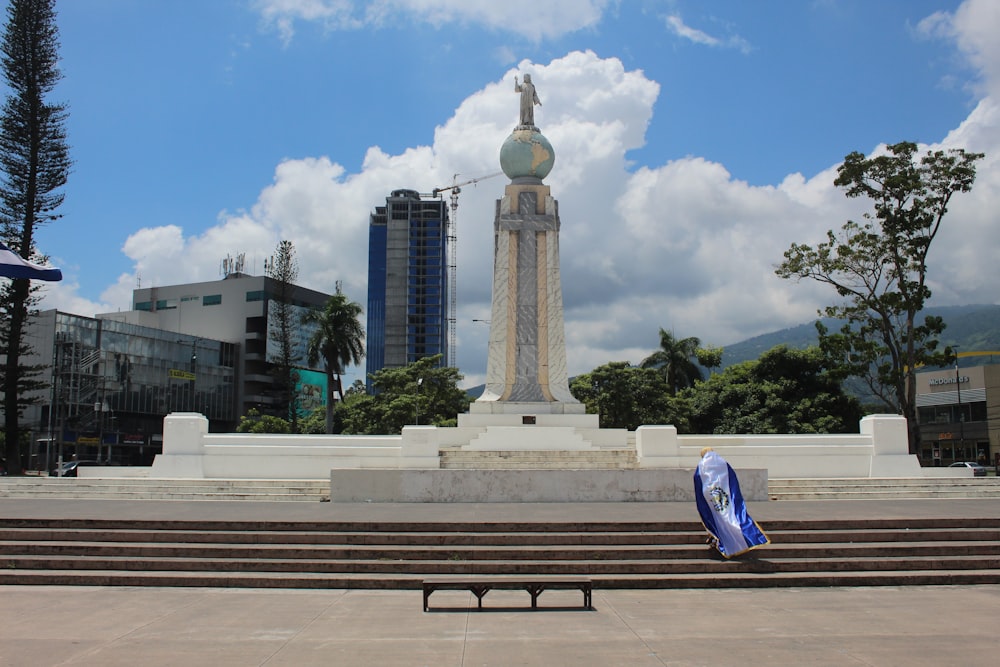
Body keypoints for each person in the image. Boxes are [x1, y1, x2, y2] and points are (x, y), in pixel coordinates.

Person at [694, 447, 769, 558]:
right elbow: (732, 479)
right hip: (726, 496)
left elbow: (698, 479)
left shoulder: (702, 466)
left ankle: (720, 540)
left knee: (714, 518)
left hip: (711, 497)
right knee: (729, 517)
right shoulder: (723, 463)